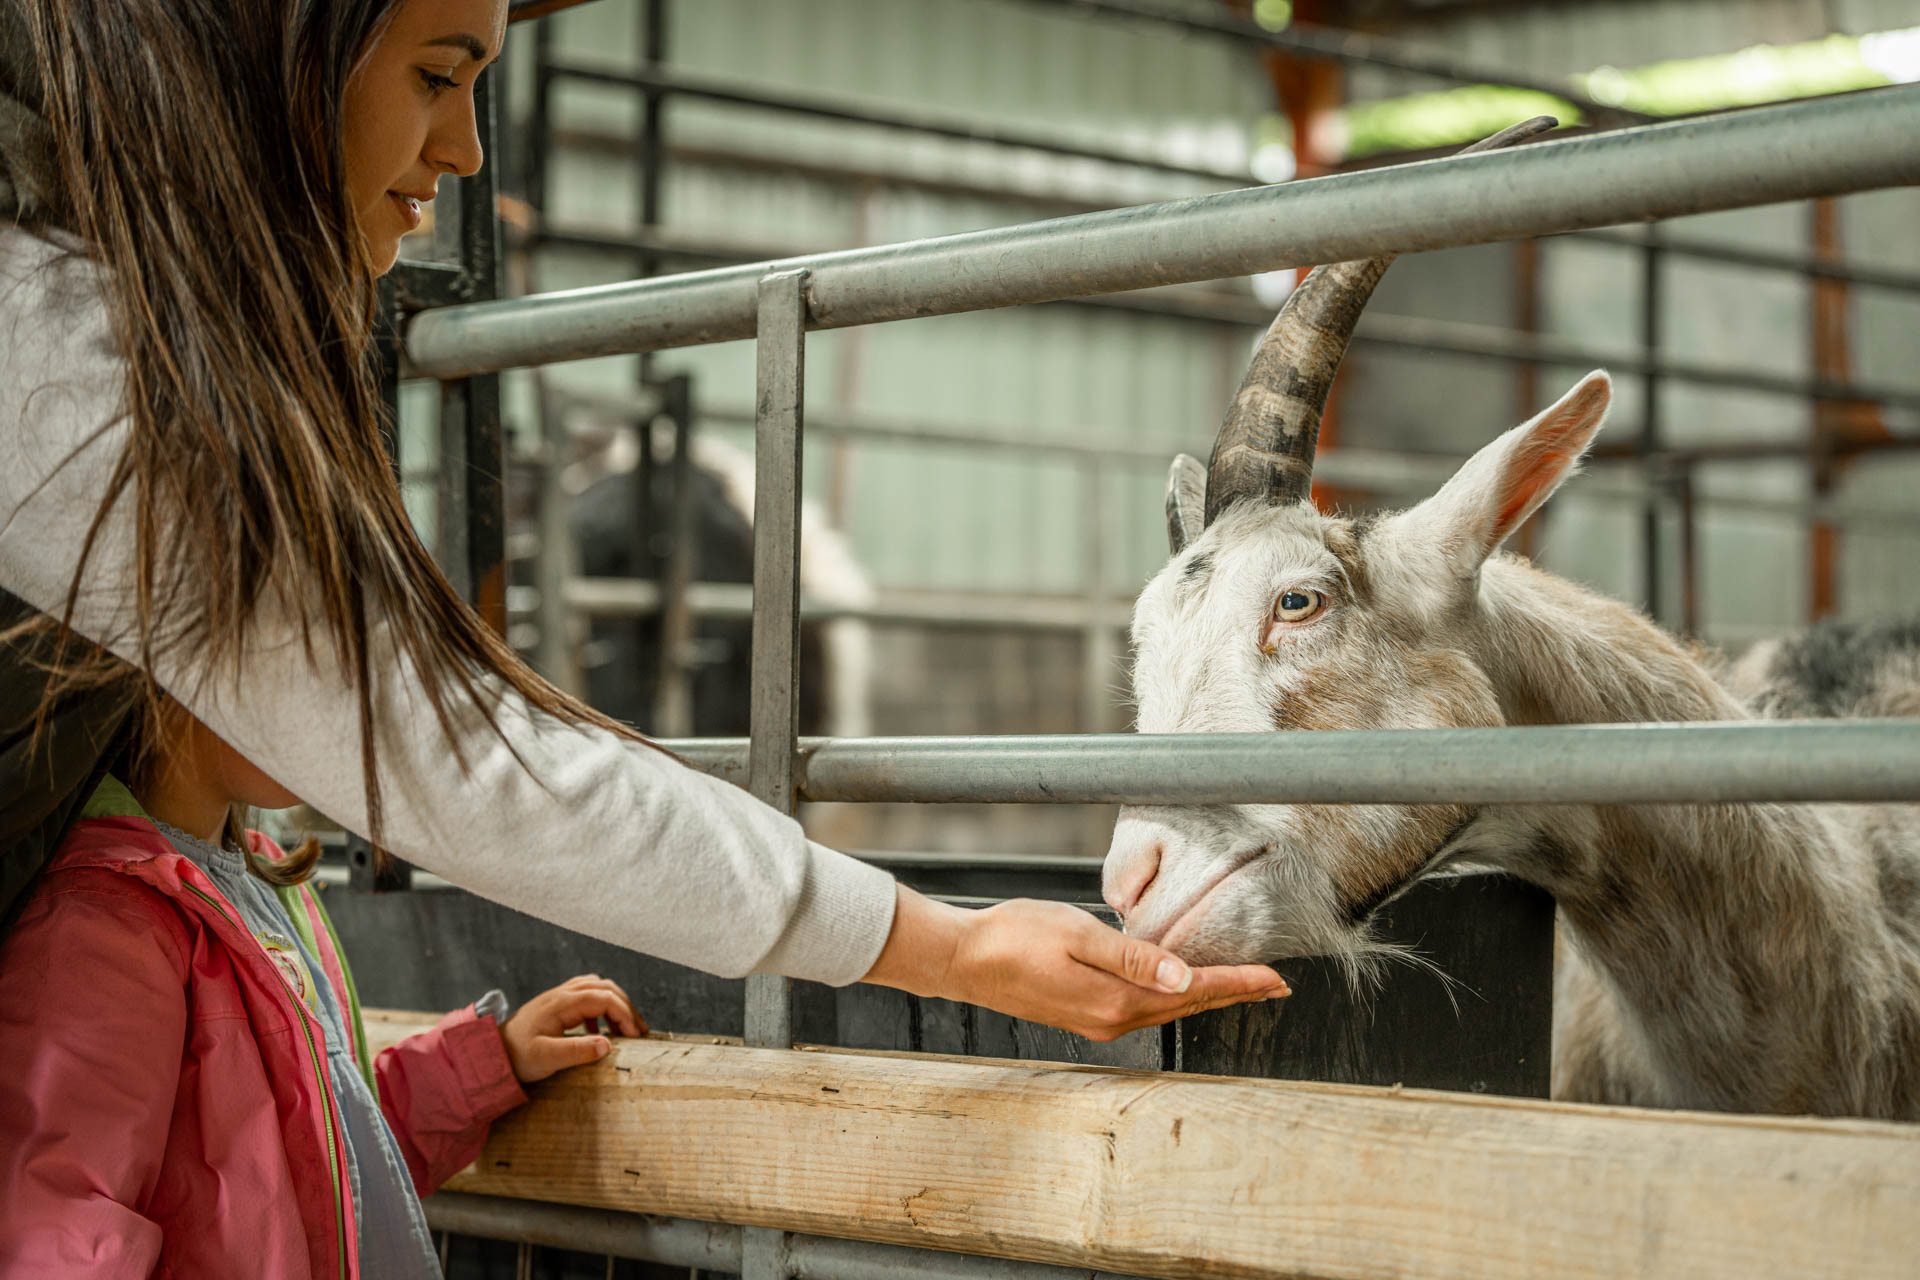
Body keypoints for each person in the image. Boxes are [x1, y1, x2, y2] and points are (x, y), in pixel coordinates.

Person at [0, 0, 1283, 1093]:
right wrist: (942, 944)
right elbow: (460, 758)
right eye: (436, 75)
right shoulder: (54, 344)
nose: (460, 148)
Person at [0, 697, 646, 1276]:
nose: (332, 700)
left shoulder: (266, 893)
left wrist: (485, 1066)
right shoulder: (100, 922)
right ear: (173, 674)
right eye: (291, 667)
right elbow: (59, 1226)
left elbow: (328, 1160)